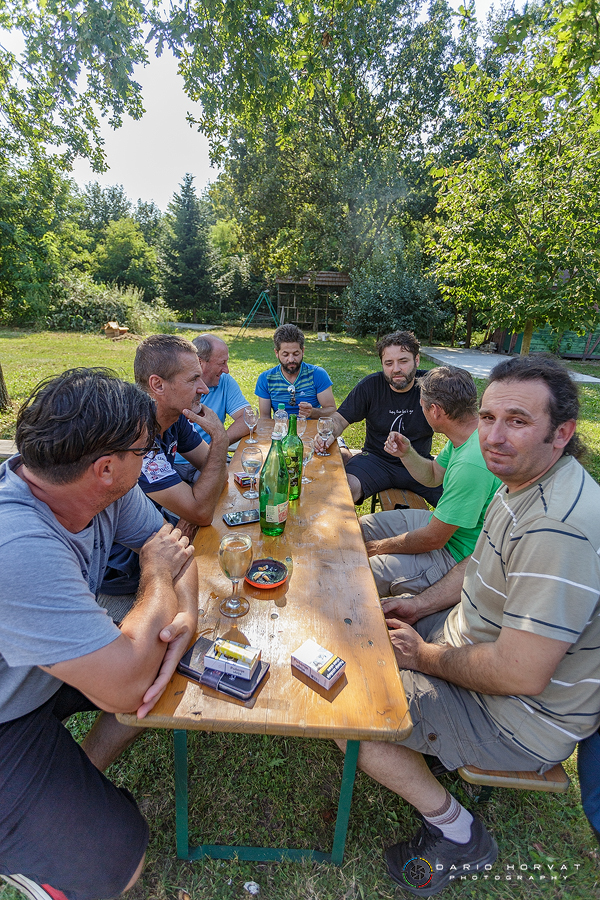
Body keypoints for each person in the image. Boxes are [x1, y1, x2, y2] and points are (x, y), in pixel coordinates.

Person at [338, 355, 600, 896]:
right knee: (361, 624)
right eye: (488, 417)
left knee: (345, 707)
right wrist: (417, 608)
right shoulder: (522, 483)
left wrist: (422, 656)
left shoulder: (559, 527)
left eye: (518, 421)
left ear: (562, 432)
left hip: (517, 718)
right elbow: (474, 567)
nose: (494, 436)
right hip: (467, 642)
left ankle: (460, 835)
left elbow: (520, 673)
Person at [0, 368, 199, 900]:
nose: (150, 455)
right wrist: (155, 579)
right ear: (106, 467)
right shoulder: (17, 545)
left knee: (156, 669)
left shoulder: (102, 486)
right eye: (145, 448)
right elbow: (127, 687)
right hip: (4, 713)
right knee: (115, 869)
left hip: (34, 669)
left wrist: (189, 618)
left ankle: (66, 783)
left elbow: (176, 548)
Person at [100, 334, 229, 603]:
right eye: (193, 379)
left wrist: (191, 512)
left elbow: (217, 474)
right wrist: (220, 439)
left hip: (163, 545)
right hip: (126, 576)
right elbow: (201, 511)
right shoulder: (134, 436)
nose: (203, 389)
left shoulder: (174, 417)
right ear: (157, 384)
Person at [360, 366, 501, 598]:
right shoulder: (465, 434)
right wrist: (407, 453)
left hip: (455, 554)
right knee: (361, 528)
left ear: (435, 411)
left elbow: (434, 538)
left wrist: (378, 547)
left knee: (361, 571)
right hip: (442, 529)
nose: (421, 410)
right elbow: (434, 475)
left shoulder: (471, 464)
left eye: (422, 406)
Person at [315, 331, 443, 506]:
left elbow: (460, 424)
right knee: (341, 491)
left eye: (403, 361)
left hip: (419, 463)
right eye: (388, 363)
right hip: (375, 460)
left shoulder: (433, 386)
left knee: (457, 499)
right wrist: (328, 433)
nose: (396, 369)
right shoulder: (371, 386)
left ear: (417, 360)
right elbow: (339, 419)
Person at [255, 323, 336, 419]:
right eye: (285, 355)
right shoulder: (266, 379)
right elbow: (265, 419)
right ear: (276, 353)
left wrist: (313, 412)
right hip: (281, 431)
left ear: (303, 351)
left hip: (311, 432)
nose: (291, 359)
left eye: (296, 353)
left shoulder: (317, 374)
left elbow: (332, 411)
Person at [191, 333, 250, 446]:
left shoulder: (224, 381)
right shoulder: (177, 385)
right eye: (222, 363)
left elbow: (247, 419)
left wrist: (217, 444)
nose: (226, 370)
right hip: (176, 462)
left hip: (212, 455)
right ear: (199, 362)